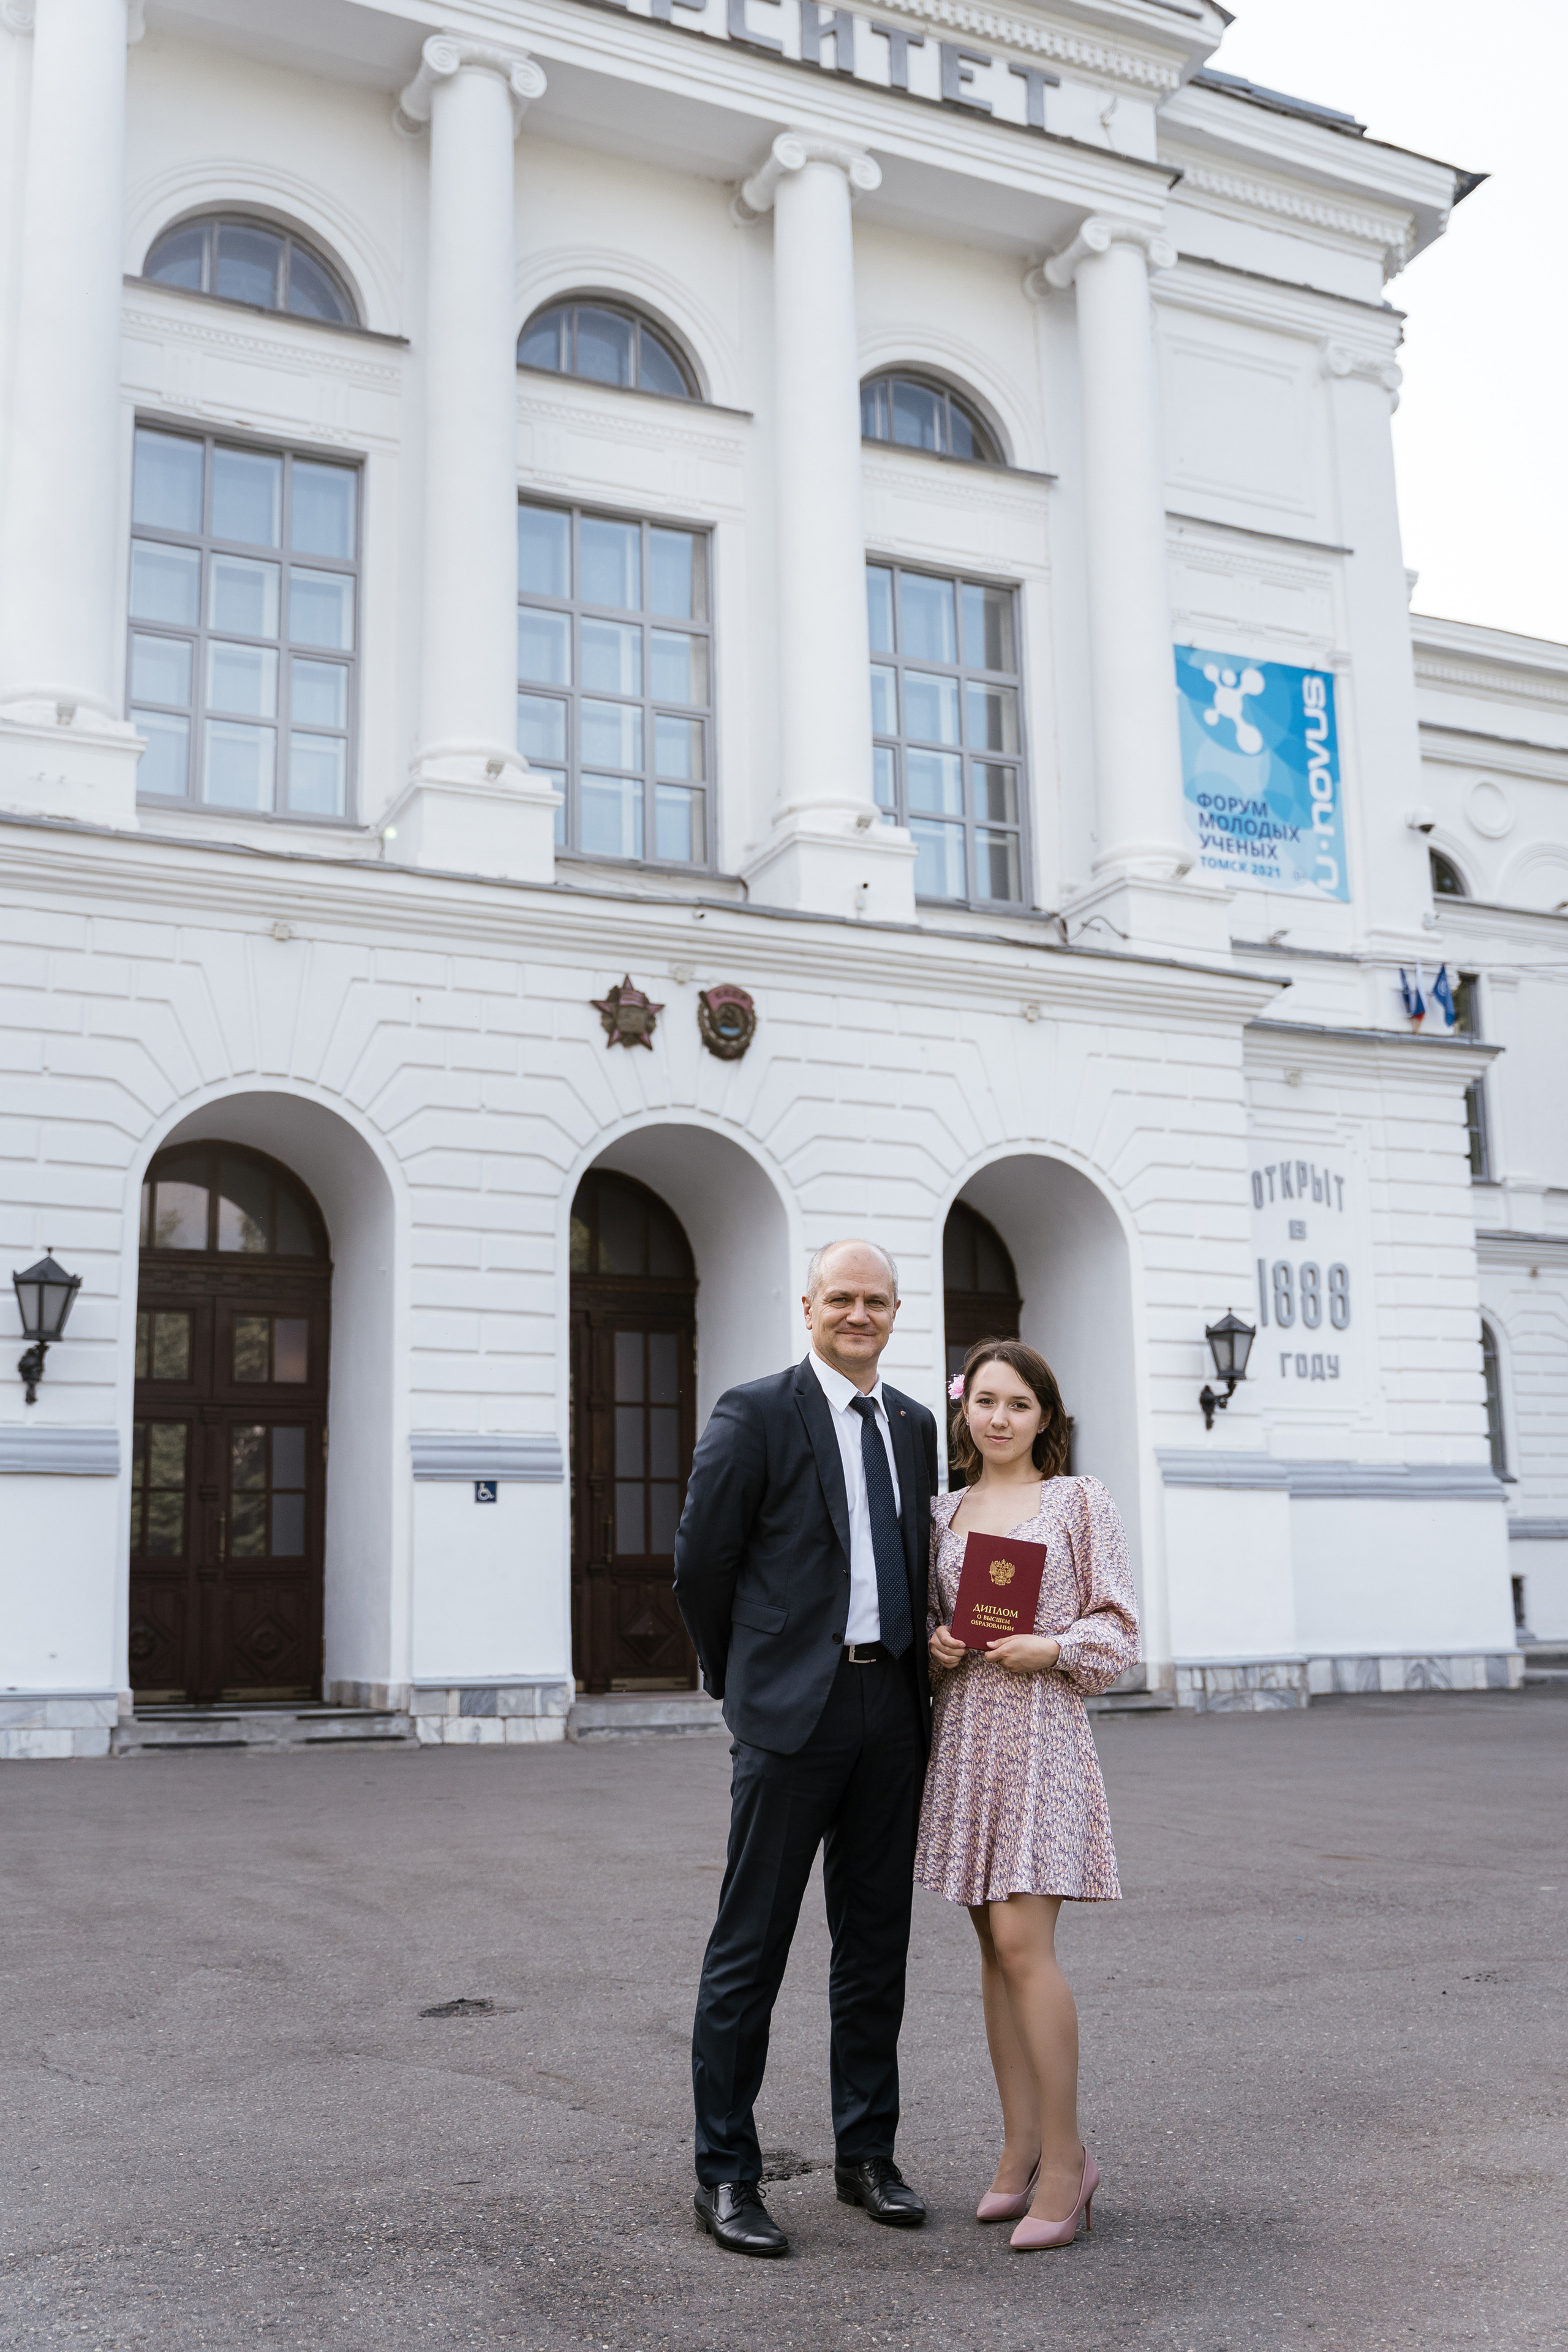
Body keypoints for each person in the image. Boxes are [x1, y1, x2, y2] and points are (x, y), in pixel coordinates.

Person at [674, 1240, 940, 2259]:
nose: (858, 1314)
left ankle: (866, 2157)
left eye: (875, 1300)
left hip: (892, 1715)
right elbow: (703, 1562)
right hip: (791, 1720)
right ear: (809, 1306)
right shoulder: (757, 1411)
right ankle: (726, 2176)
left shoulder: (913, 1426)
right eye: (841, 1298)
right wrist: (740, 1682)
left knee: (875, 1949)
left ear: (896, 1311)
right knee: (751, 1950)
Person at [917, 1339, 1138, 2252]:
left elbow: (1118, 1625)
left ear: (1045, 1415)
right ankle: (1016, 2151)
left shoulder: (1079, 1502)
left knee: (1022, 1941)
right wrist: (934, 1649)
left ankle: (1067, 2161)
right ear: (964, 1412)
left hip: (1043, 1732)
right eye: (985, 1403)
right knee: (991, 1949)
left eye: (1018, 1404)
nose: (999, 1418)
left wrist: (1053, 1647)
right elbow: (931, 1622)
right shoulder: (941, 1511)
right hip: (967, 1734)